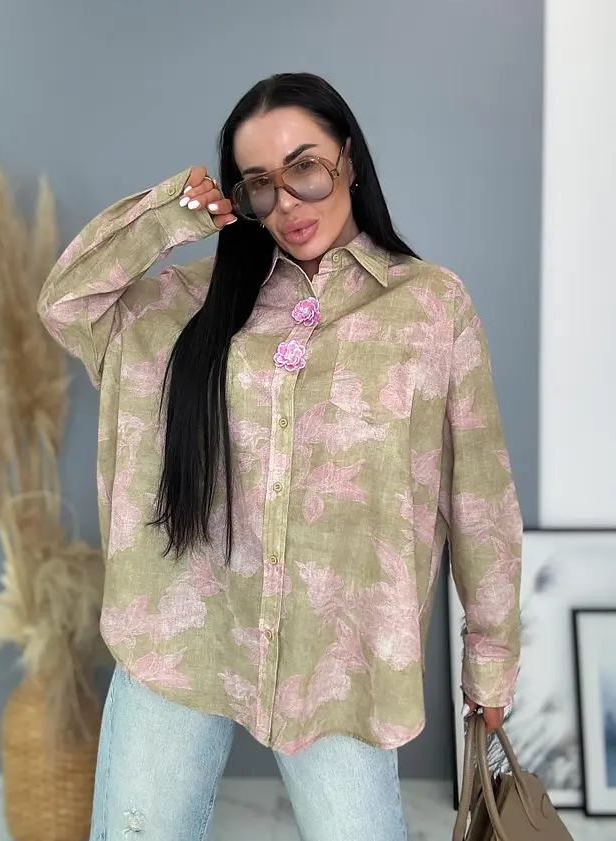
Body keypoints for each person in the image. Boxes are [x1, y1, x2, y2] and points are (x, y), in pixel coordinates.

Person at [38, 72, 523, 841]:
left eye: (306, 167)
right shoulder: (186, 305)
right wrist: (170, 214)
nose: (288, 202)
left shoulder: (431, 308)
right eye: (259, 184)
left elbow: (481, 500)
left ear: (349, 159)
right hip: (183, 636)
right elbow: (66, 304)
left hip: (339, 664)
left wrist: (489, 659)